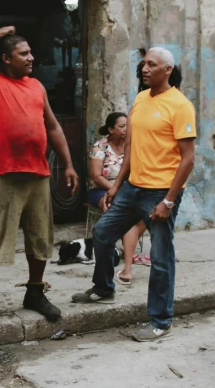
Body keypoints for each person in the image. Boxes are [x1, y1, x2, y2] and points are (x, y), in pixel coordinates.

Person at [0, 26, 79, 330]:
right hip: (2, 172)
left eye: (30, 53)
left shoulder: (36, 87)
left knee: (40, 239)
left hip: (37, 172)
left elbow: (52, 127)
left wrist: (68, 164)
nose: (31, 58)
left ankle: (34, 293)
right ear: (5, 59)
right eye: (23, 53)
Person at [72, 47, 196, 342]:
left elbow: (188, 158)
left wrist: (168, 199)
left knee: (161, 256)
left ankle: (161, 320)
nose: (144, 68)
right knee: (102, 232)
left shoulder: (180, 106)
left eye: (151, 65)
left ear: (167, 70)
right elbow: (131, 148)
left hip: (160, 192)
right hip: (132, 188)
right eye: (143, 64)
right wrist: (115, 187)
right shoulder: (141, 99)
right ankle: (103, 288)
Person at [88, 112, 146, 285]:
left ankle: (123, 248)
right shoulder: (100, 147)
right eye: (122, 126)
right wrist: (115, 189)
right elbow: (96, 176)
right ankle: (127, 268)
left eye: (128, 126)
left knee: (145, 214)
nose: (126, 129)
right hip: (102, 189)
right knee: (127, 216)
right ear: (111, 129)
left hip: (128, 190)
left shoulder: (132, 146)